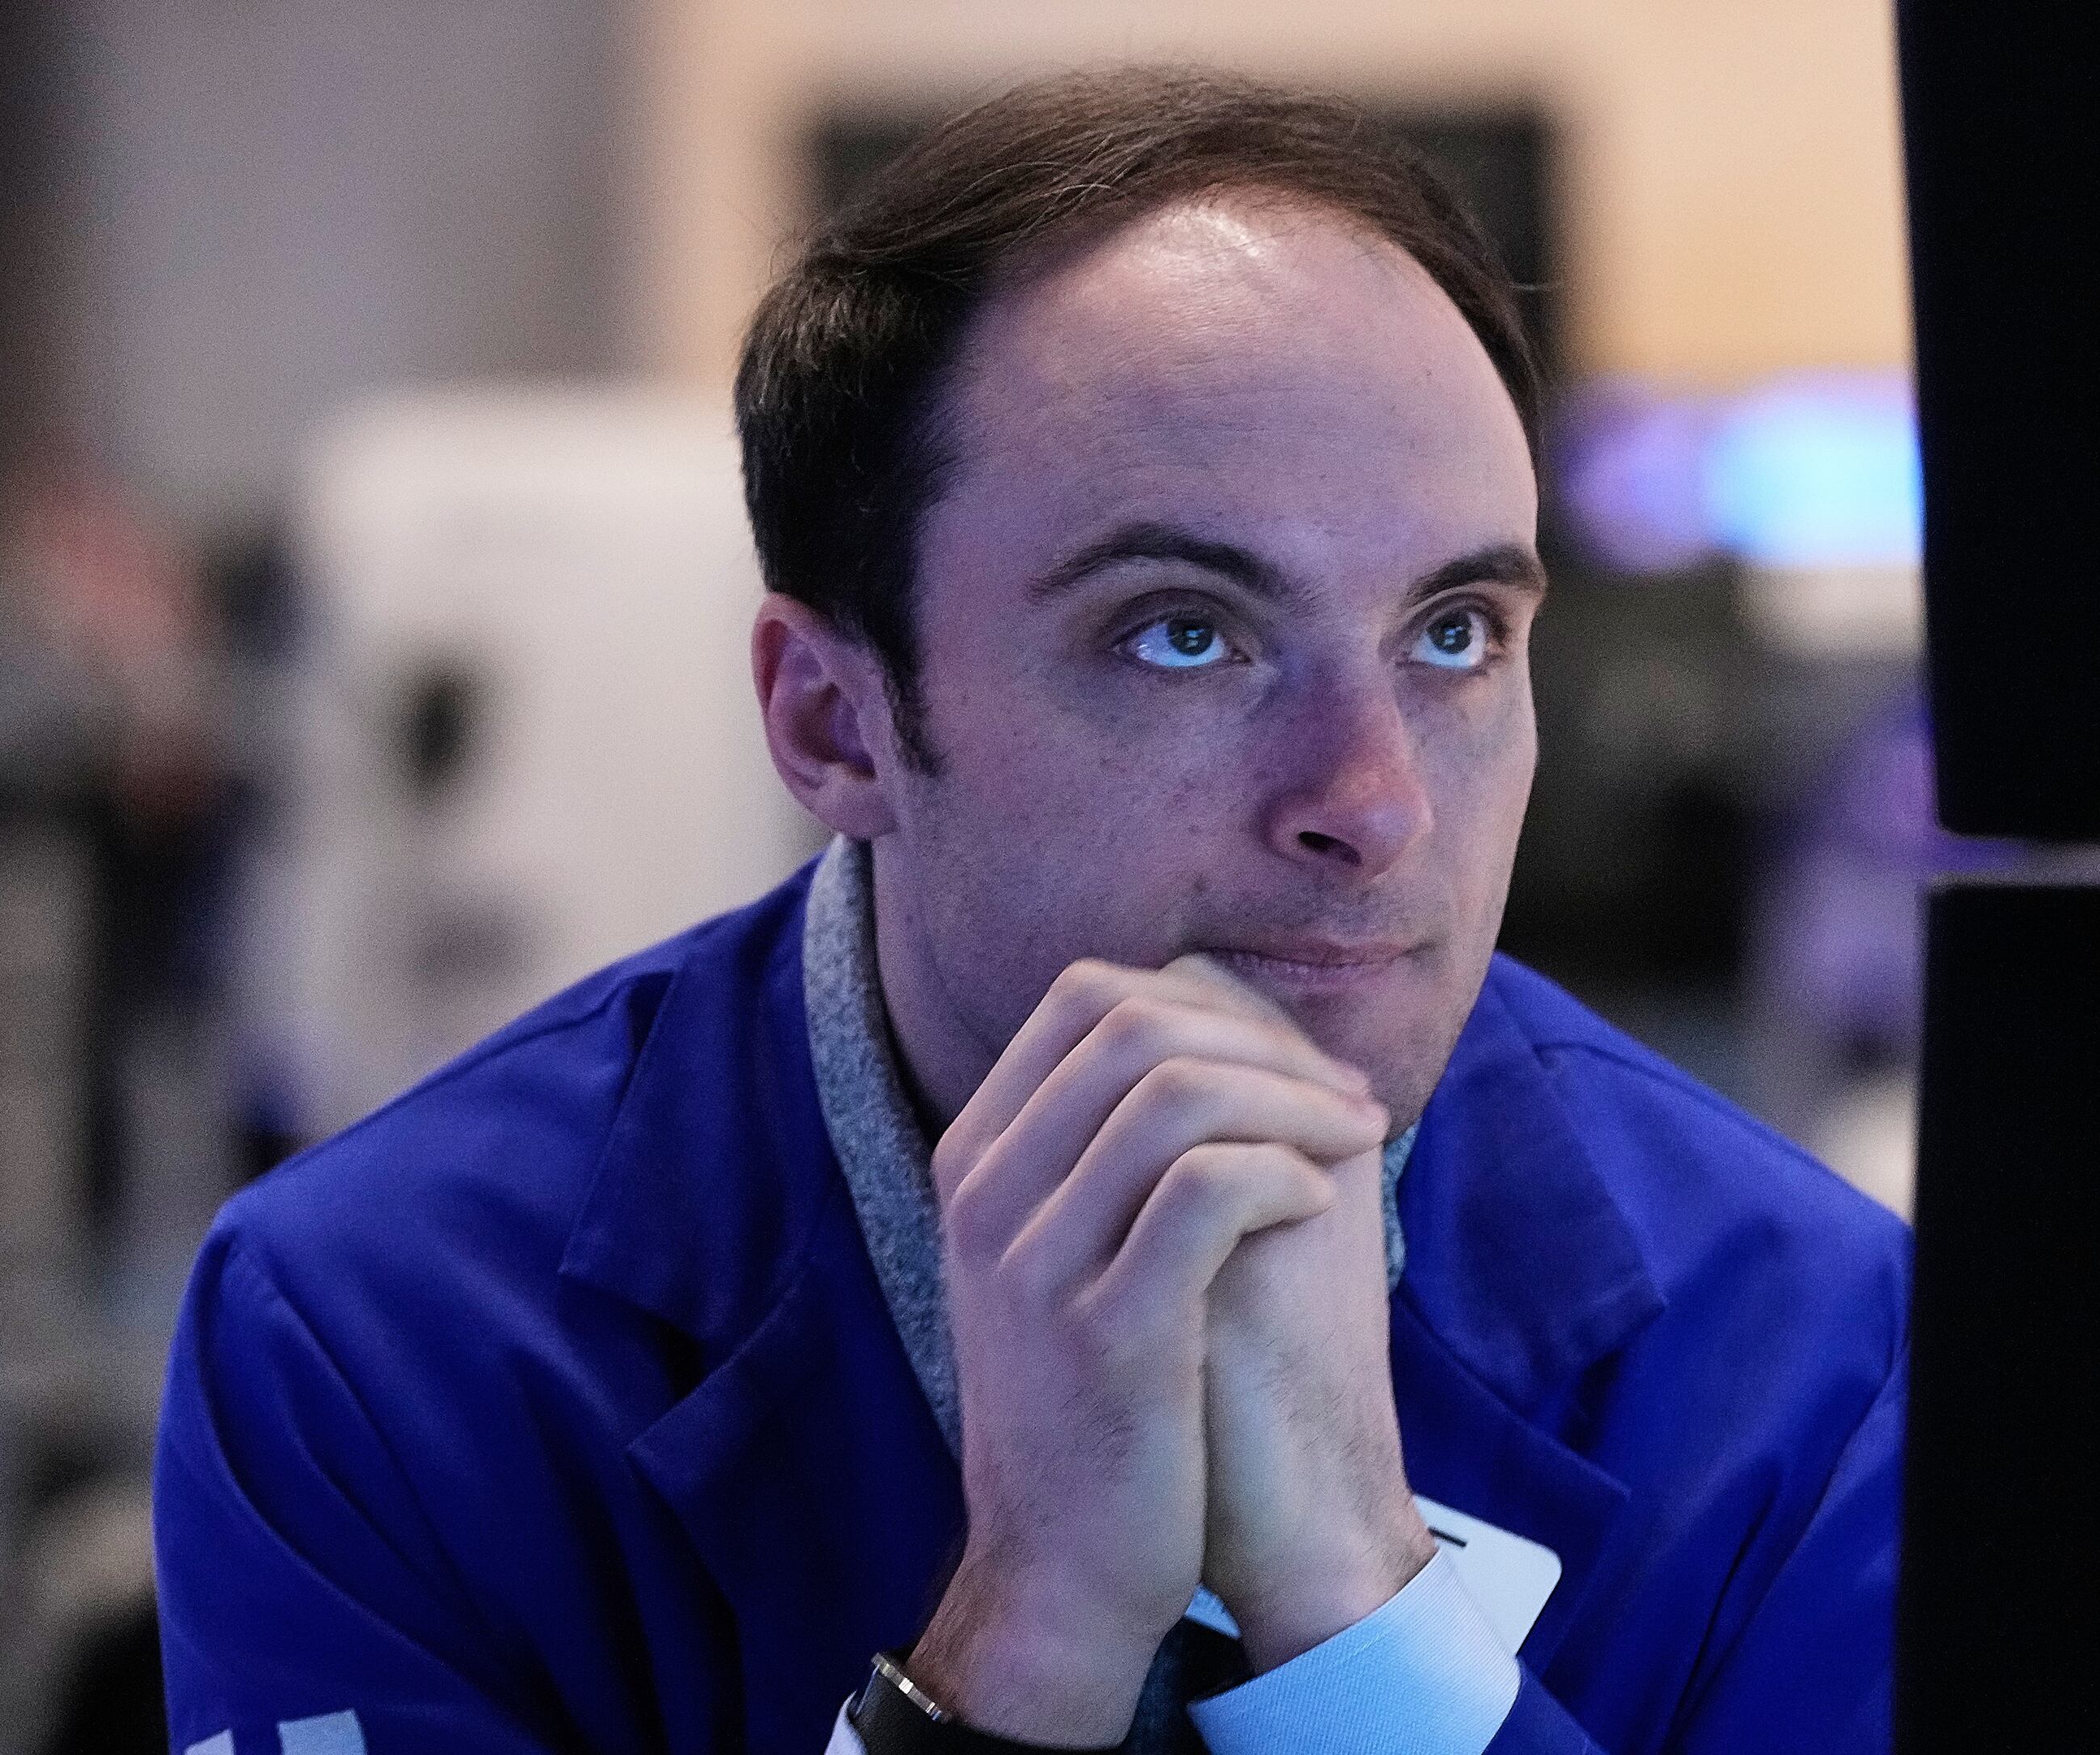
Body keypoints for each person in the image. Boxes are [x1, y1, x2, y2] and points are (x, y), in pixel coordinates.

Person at [154, 67, 1906, 1755]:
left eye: (1452, 635)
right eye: (1185, 634)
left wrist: (1362, 1635)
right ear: (833, 721)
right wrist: (1022, 1645)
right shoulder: (374, 1346)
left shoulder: (1807, 1358)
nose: (1371, 804)